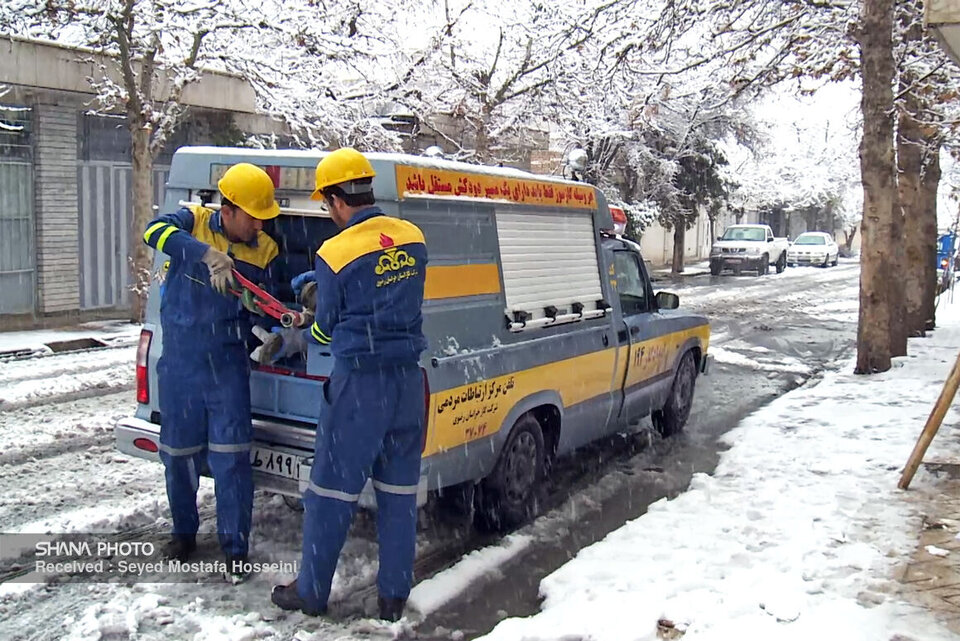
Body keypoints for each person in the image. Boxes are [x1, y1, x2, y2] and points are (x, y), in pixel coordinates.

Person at [267, 148, 427, 621]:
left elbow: (326, 329)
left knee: (331, 492)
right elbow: (391, 290)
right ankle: (393, 596)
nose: (328, 212)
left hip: (361, 386)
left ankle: (312, 592)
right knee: (398, 494)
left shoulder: (334, 253)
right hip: (407, 383)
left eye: (326, 204)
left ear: (337, 200)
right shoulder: (413, 237)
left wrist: (302, 327)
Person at [142, 162, 280, 583]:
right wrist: (207, 254)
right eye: (253, 216)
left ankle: (235, 551)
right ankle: (183, 536)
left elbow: (270, 306)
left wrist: (268, 329)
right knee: (178, 456)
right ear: (229, 209)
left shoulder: (266, 250)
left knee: (231, 460)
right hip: (180, 365)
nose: (259, 225)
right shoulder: (193, 220)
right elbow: (153, 232)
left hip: (227, 367)